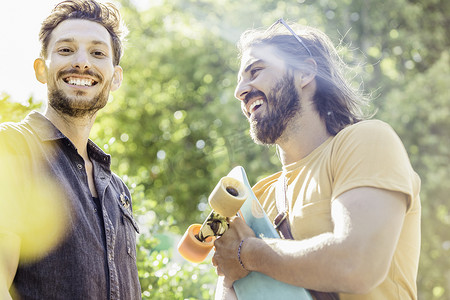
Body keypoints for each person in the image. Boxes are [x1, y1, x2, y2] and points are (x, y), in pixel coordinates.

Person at [212, 19, 421, 300]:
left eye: (256, 71)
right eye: (239, 81)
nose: (240, 90)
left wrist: (246, 252)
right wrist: (228, 273)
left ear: (305, 72)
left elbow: (356, 265)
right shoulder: (256, 198)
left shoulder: (366, 141)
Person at [0, 1, 141, 299]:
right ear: (41, 69)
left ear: (115, 77)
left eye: (97, 53)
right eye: (65, 50)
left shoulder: (118, 190)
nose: (82, 62)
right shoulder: (12, 148)